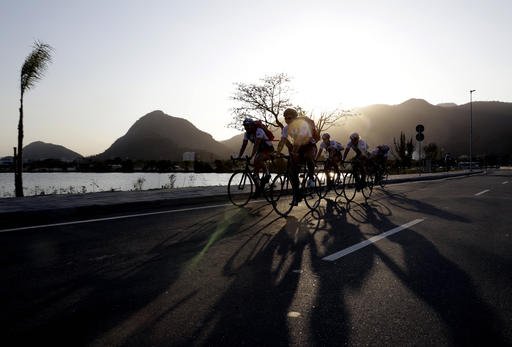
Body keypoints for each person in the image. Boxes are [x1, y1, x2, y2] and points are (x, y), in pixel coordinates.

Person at [276, 108, 317, 205]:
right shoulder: (286, 128)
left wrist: (294, 152)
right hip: (298, 147)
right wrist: (277, 152)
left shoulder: (302, 124)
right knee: (292, 171)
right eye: (285, 118)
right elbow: (282, 141)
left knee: (308, 156)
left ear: (295, 118)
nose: (287, 120)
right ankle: (296, 195)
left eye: (289, 118)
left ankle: (311, 178)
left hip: (309, 145)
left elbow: (299, 140)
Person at [238, 117, 274, 194]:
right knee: (255, 173)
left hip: (268, 149)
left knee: (259, 158)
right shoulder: (246, 134)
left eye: (247, 126)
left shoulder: (259, 130)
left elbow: (256, 144)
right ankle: (258, 189)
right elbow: (243, 146)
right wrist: (239, 156)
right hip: (260, 150)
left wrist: (251, 156)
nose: (246, 128)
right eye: (245, 126)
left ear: (252, 125)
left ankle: (267, 174)